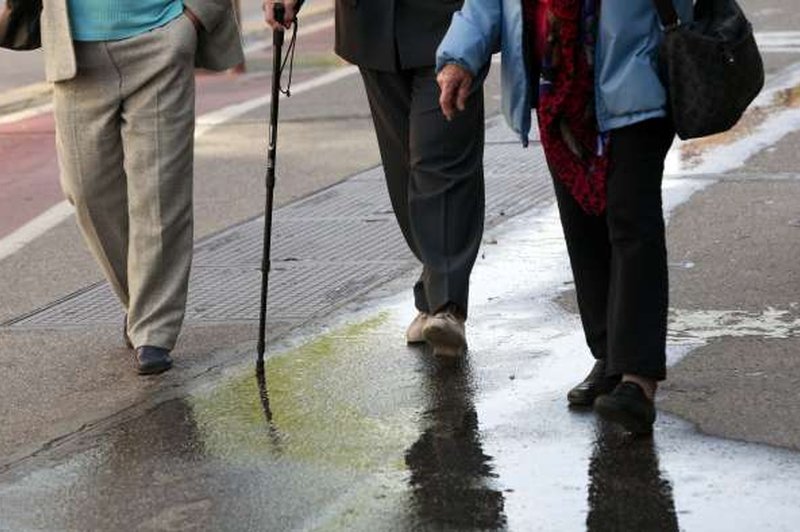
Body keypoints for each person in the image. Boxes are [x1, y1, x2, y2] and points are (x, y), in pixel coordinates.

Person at [437, 0, 691, 433]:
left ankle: (637, 377)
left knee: (632, 222)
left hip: (637, 75)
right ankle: (609, 356)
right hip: (559, 92)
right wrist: (460, 56)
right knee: (583, 226)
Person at [264, 0, 486, 357]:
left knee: (439, 158)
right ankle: (433, 293)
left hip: (451, 23)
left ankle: (447, 306)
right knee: (404, 167)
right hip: (372, 25)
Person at [43, 0, 244, 374]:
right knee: (85, 191)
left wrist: (194, 18)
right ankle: (141, 303)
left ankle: (154, 327)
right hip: (76, 51)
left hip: (162, 39)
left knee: (161, 191)